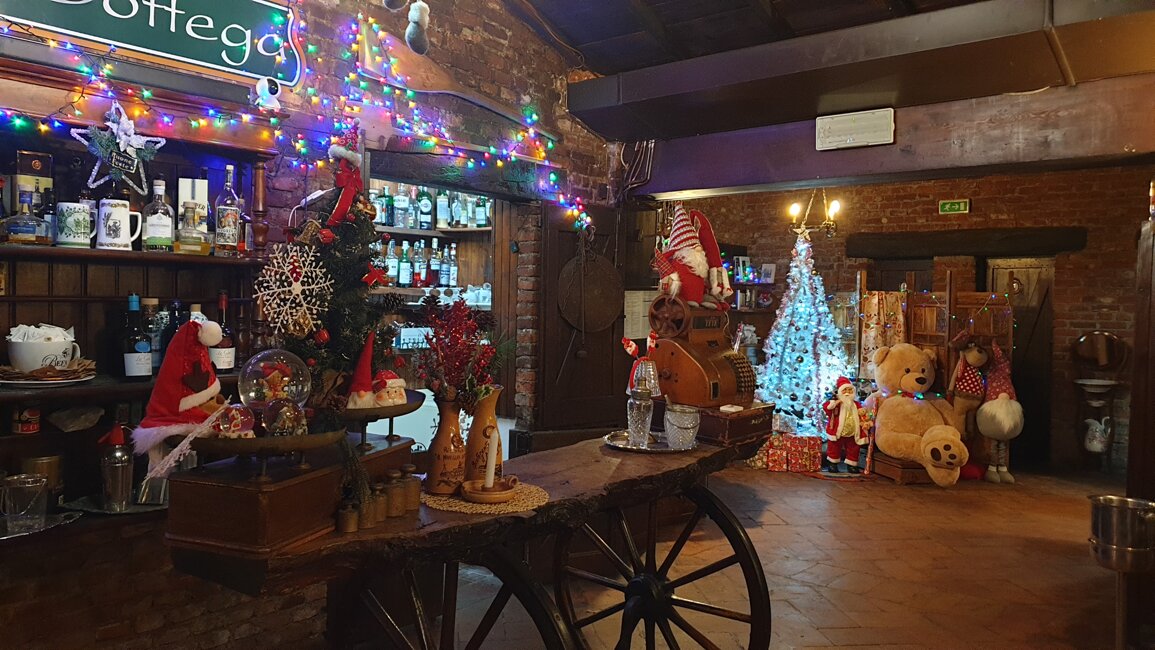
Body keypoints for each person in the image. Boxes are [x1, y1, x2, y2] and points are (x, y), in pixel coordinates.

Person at [822, 376, 871, 473]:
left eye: (850, 390)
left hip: (853, 432)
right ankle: (833, 464)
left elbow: (862, 414)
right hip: (838, 431)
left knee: (854, 449)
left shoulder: (856, 404)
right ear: (840, 391)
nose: (847, 392)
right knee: (834, 447)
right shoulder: (836, 403)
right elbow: (827, 407)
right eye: (845, 390)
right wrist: (834, 402)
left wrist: (864, 416)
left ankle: (851, 465)